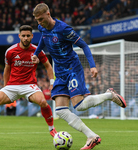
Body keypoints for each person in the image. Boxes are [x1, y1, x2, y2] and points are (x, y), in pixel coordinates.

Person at [32, 3, 127, 150]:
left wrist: (92, 65)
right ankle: (92, 136)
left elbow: (84, 45)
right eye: (37, 20)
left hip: (72, 68)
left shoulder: (63, 29)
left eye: (41, 19)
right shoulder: (42, 28)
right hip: (60, 73)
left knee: (79, 105)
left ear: (48, 14)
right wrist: (35, 54)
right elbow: (43, 39)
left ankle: (110, 95)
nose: (39, 22)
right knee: (61, 110)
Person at [0, 25, 57, 140]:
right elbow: (7, 69)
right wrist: (5, 87)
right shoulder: (10, 51)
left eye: (28, 36)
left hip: (30, 85)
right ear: (19, 36)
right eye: (23, 36)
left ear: (32, 36)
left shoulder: (37, 51)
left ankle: (52, 129)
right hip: (13, 85)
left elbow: (49, 66)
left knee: (42, 101)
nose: (25, 38)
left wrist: (51, 84)